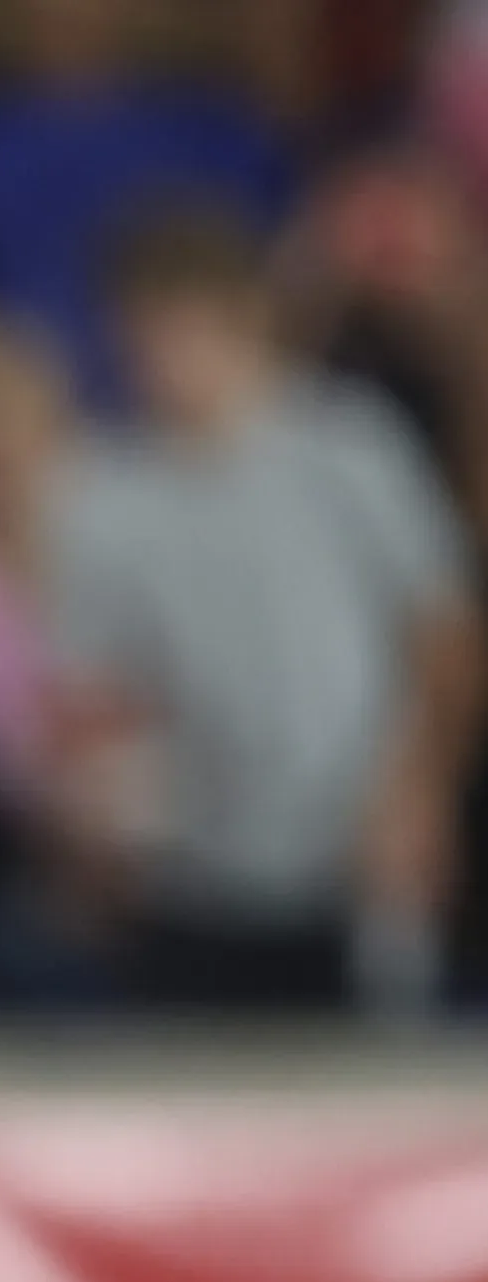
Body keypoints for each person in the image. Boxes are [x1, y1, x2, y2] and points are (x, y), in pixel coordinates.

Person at [48, 203, 482, 1014]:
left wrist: (419, 787)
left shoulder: (348, 447)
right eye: (142, 335)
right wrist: (97, 821)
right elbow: (92, 690)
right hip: (194, 876)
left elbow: (444, 631)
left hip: (359, 861)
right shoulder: (103, 495)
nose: (161, 359)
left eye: (181, 329)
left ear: (242, 320)